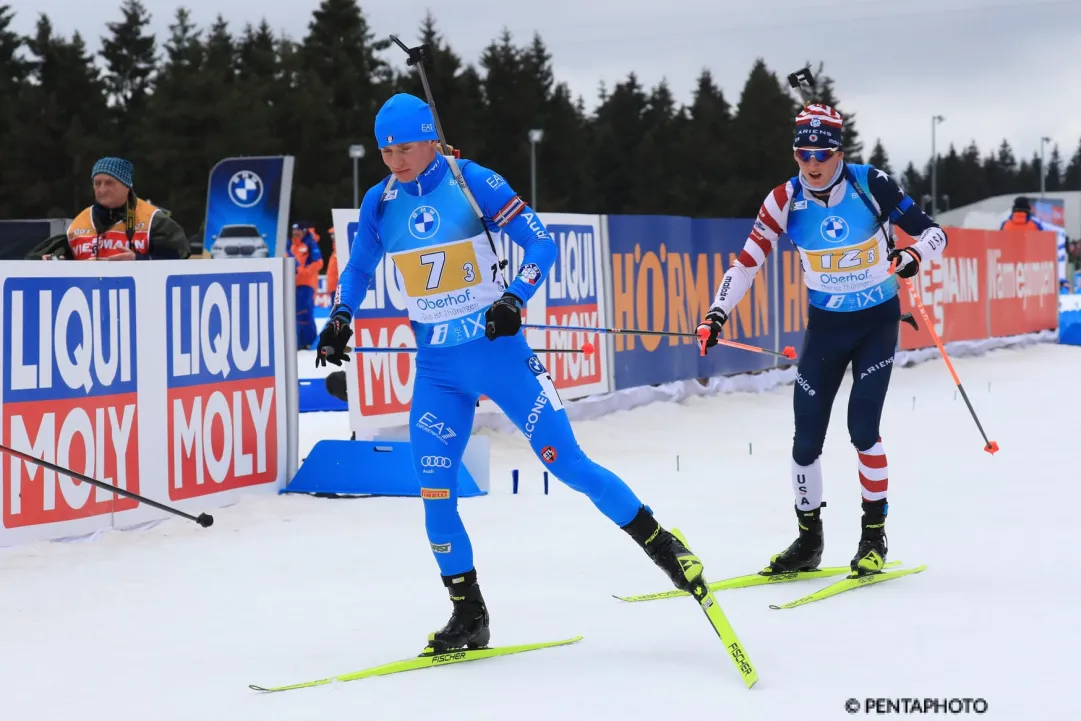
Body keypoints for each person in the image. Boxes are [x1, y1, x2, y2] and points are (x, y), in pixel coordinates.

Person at [316, 93, 707, 652]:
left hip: (500, 357)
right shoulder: (381, 202)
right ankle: (468, 614)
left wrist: (514, 299)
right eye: (384, 151)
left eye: (404, 148)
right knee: (434, 493)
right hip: (438, 373)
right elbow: (357, 269)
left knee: (567, 464)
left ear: (430, 138)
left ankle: (665, 547)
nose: (395, 160)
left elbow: (540, 245)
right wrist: (340, 317)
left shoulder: (474, 183)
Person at [697, 104, 948, 576]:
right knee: (805, 441)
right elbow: (747, 263)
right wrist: (717, 312)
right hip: (826, 328)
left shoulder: (870, 183)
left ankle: (874, 537)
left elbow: (935, 234)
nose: (812, 163)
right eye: (802, 152)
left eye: (822, 152)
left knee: (862, 431)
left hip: (876, 324)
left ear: (840, 151)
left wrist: (914, 253)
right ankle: (808, 541)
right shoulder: (783, 200)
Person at [28, 157, 189, 260]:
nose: (102, 189)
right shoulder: (81, 222)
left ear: (127, 186)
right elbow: (45, 259)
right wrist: (56, 263)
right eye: (97, 183)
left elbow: (177, 261)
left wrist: (138, 260)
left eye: (109, 182)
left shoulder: (153, 220)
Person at [288, 223, 323, 349]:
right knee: (295, 314)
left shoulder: (309, 243)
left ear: (303, 231)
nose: (295, 233)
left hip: (307, 284)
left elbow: (319, 262)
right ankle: (298, 341)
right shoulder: (291, 246)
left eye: (298, 230)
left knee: (305, 313)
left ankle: (310, 341)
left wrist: (304, 272)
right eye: (293, 230)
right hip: (293, 284)